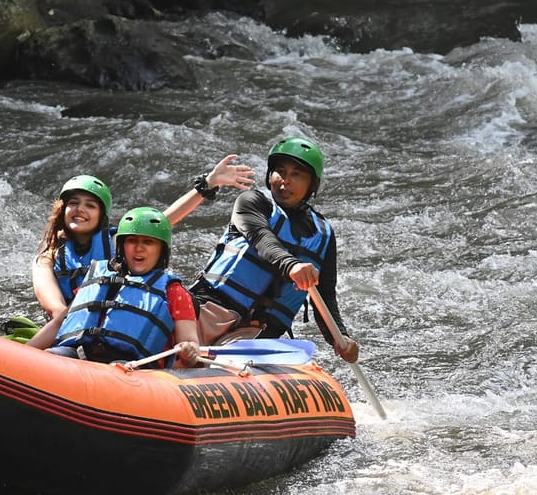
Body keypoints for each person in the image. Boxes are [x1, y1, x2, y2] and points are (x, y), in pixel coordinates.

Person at [189, 137, 359, 362]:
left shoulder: (324, 234)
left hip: (259, 334)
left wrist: (340, 337)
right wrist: (292, 265)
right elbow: (262, 238)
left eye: (297, 174)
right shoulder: (252, 201)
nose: (285, 181)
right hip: (212, 313)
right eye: (280, 171)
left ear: (312, 184)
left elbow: (325, 296)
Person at [31, 156, 255, 321]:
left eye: (90, 205)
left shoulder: (116, 242)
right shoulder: (48, 257)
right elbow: (56, 310)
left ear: (101, 216)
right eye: (74, 203)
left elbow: (164, 220)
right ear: (63, 209)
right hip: (71, 328)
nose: (80, 210)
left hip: (120, 324)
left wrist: (208, 184)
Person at [27, 207, 200, 368]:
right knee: (51, 358)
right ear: (121, 247)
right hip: (81, 354)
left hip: (133, 368)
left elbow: (190, 341)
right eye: (132, 241)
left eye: (148, 242)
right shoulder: (98, 276)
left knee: (116, 369)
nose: (139, 248)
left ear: (161, 250)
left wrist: (189, 349)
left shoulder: (174, 292)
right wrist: (25, 352)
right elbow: (60, 322)